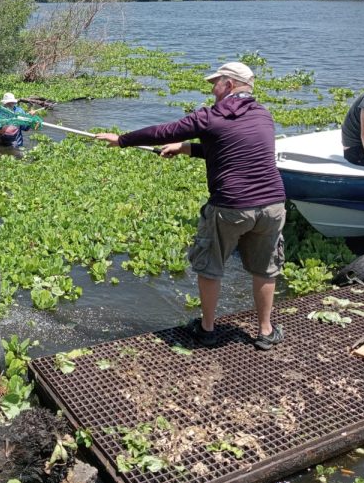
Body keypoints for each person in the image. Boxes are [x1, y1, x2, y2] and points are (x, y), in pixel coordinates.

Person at [95, 62, 287, 350]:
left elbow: (165, 131)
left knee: (210, 267)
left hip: (232, 206)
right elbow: (229, 147)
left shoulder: (211, 116)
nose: (212, 88)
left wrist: (122, 140)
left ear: (230, 85)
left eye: (216, 82)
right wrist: (185, 148)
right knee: (265, 269)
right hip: (272, 205)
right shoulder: (263, 115)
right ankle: (265, 332)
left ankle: (207, 330)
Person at [0, 92, 32, 158]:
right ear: (4, 103)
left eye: (12, 102)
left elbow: (25, 128)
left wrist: (29, 119)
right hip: (1, 143)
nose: (10, 104)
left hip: (16, 145)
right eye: (8, 103)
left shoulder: (19, 112)